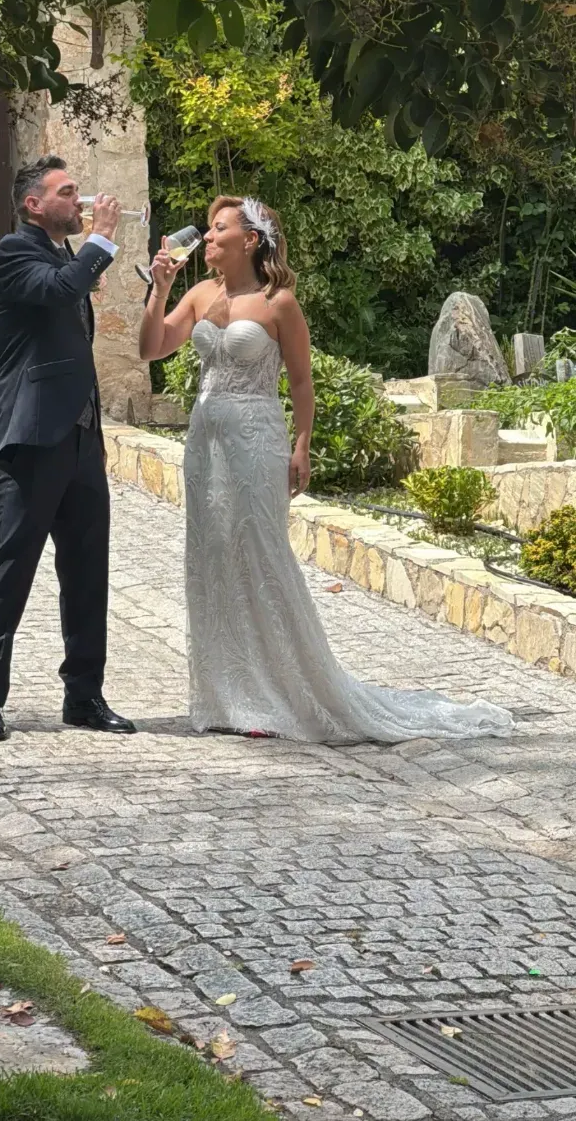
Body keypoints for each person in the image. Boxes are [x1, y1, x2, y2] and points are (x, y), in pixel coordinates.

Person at [138, 195, 515, 744]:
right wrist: (161, 287)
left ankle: (284, 692)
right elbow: (151, 348)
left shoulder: (279, 303)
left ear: (250, 241)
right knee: (212, 554)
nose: (207, 238)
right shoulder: (198, 293)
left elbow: (300, 381)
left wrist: (303, 444)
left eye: (218, 230)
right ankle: (229, 695)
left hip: (255, 439)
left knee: (261, 555)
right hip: (206, 445)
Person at [0, 155, 136, 742]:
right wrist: (104, 238)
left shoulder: (64, 255)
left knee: (88, 572)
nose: (82, 200)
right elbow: (62, 290)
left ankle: (84, 696)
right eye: (68, 192)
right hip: (33, 437)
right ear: (34, 204)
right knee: (11, 567)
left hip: (81, 438)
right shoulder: (14, 253)